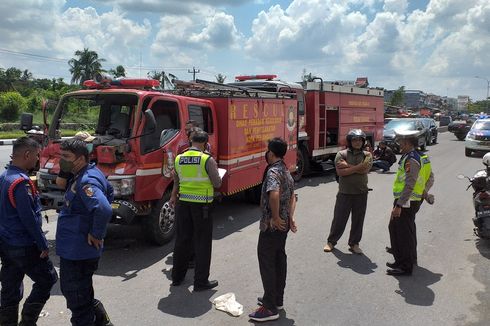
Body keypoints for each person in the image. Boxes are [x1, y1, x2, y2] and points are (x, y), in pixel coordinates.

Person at [0, 137, 58, 326]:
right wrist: (42, 244)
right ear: (27, 155)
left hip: (6, 243)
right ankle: (27, 321)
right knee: (48, 279)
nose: (37, 159)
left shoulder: (4, 176)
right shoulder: (20, 183)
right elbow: (29, 219)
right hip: (23, 245)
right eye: (36, 155)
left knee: (10, 285)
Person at [56, 139, 114, 325]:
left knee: (78, 302)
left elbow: (104, 207)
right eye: (61, 155)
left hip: (78, 252)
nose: (61, 160)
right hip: (75, 249)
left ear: (80, 159)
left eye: (66, 157)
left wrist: (96, 232)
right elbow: (110, 192)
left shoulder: (86, 180)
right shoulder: (84, 174)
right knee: (82, 295)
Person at [248, 138, 297, 322]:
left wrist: (275, 217)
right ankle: (277, 298)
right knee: (279, 259)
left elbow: (274, 194)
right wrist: (290, 217)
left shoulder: (273, 171)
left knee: (267, 261)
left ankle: (269, 307)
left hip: (272, 225)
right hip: (283, 224)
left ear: (271, 153)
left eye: (267, 150)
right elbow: (293, 196)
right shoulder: (286, 169)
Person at [170, 130, 222, 291]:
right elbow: (217, 183)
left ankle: (177, 278)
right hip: (202, 206)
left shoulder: (179, 158)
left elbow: (176, 181)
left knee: (182, 241)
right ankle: (200, 282)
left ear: (191, 142)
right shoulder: (207, 159)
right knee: (202, 243)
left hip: (183, 204)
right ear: (206, 143)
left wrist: (173, 197)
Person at [387, 130, 434, 276]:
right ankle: (405, 259)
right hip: (413, 199)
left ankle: (405, 266)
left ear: (407, 143)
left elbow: (410, 183)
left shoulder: (411, 159)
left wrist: (399, 205)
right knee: (403, 229)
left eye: (400, 141)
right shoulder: (421, 156)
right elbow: (430, 177)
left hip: (406, 200)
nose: (399, 144)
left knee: (402, 233)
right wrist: (424, 193)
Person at [323, 129, 372, 254]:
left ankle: (354, 244)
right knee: (339, 219)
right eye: (354, 140)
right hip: (345, 193)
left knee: (358, 220)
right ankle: (331, 241)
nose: (357, 142)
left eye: (360, 140)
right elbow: (340, 172)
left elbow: (364, 170)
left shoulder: (367, 155)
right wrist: (358, 167)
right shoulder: (341, 154)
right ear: (350, 141)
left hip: (361, 193)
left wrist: (348, 166)